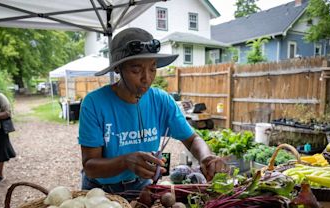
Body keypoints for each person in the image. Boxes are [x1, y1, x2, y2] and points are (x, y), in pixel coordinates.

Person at [79, 28, 225, 194]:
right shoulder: (94, 103)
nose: (146, 78)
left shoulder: (161, 100)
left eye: (153, 68)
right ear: (118, 68)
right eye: (136, 70)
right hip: (100, 190)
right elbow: (90, 166)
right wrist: (125, 162)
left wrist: (206, 157)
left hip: (142, 187)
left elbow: (192, 140)